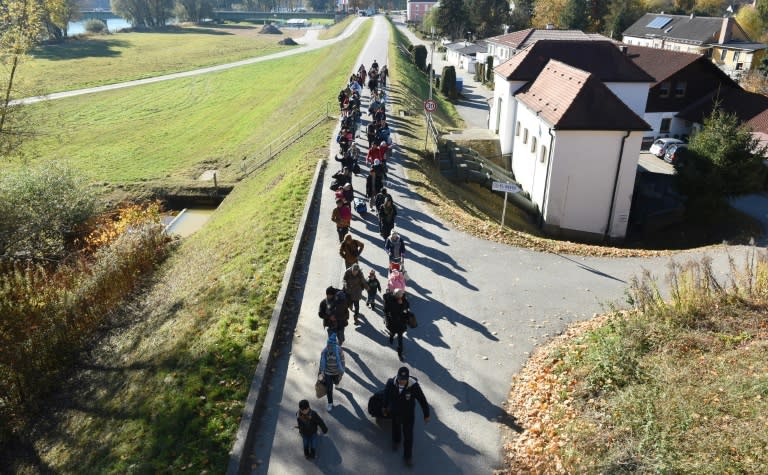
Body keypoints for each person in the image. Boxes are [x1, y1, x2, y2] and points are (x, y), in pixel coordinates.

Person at [383, 367, 430, 466]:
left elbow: (422, 400)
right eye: (400, 379)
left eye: (404, 380)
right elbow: (386, 396)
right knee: (396, 428)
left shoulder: (414, 387)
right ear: (397, 377)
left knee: (408, 436)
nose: (402, 382)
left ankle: (407, 457)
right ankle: (396, 441)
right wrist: (385, 407)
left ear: (408, 379)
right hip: (395, 412)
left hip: (408, 415)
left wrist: (426, 414)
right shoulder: (391, 383)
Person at [319, 333, 345, 412]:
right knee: (329, 389)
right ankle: (330, 403)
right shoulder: (324, 351)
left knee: (336, 381)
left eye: (331, 345)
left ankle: (337, 383)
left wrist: (342, 371)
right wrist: (321, 372)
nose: (329, 347)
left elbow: (343, 361)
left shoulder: (339, 350)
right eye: (328, 345)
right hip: (328, 373)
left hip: (336, 372)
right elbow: (321, 362)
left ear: (335, 345)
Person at [383, 288, 410, 359]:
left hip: (401, 321)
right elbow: (386, 310)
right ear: (395, 295)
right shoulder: (389, 300)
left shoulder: (403, 298)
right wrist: (386, 318)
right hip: (392, 321)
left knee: (400, 338)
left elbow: (407, 306)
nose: (400, 297)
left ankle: (400, 352)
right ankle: (391, 337)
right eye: (398, 296)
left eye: (400, 296)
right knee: (393, 332)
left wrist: (402, 304)